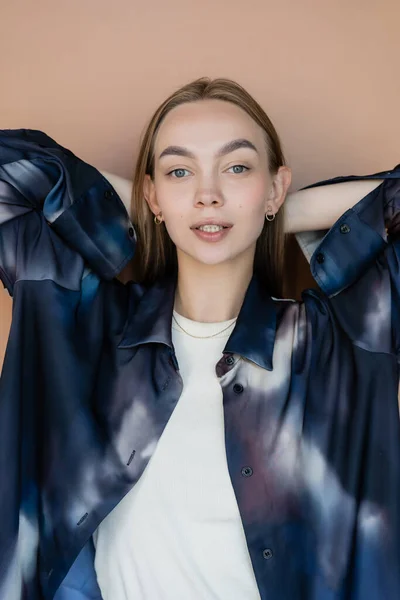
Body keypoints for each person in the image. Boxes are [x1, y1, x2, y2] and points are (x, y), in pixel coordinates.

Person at [0, 77, 399, 600]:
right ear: (152, 192)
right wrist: (148, 213)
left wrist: (283, 216)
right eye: (179, 170)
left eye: (237, 168)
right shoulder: (94, 334)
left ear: (275, 186)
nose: (208, 194)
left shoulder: (334, 344)